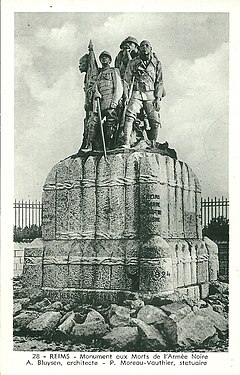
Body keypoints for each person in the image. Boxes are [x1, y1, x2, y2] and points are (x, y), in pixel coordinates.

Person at [122, 40, 166, 148]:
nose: (144, 48)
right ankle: (126, 142)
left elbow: (159, 82)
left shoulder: (156, 63)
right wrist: (126, 96)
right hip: (137, 93)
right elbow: (126, 80)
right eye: (142, 46)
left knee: (155, 120)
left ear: (151, 49)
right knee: (129, 115)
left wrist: (158, 98)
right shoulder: (133, 63)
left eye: (147, 46)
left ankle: (153, 144)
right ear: (139, 49)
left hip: (151, 94)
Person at [93, 51, 123, 150]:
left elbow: (118, 86)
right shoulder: (99, 74)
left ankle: (109, 146)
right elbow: (96, 86)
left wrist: (115, 101)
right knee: (96, 123)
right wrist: (96, 92)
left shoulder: (114, 71)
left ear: (110, 60)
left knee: (110, 125)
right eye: (102, 58)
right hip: (101, 103)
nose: (103, 59)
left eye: (106, 57)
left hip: (111, 103)